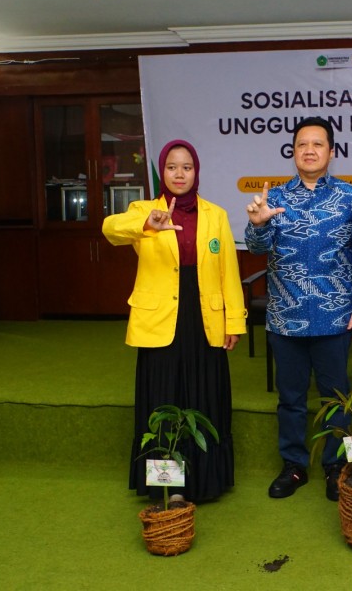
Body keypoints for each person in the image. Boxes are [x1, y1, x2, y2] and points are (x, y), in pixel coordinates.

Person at [102, 139, 246, 503]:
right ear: (161, 172)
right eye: (171, 167)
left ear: (197, 172)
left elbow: (229, 271)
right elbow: (110, 229)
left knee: (204, 396)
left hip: (205, 318)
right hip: (160, 320)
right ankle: (169, 484)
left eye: (187, 167)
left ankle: (205, 483)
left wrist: (235, 321)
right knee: (161, 399)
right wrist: (147, 223)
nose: (179, 174)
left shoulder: (215, 214)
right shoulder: (143, 210)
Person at [244, 116, 352, 502]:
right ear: (293, 152)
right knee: (290, 399)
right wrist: (256, 224)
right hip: (285, 320)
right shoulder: (276, 199)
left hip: (336, 318)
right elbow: (257, 247)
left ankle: (337, 466)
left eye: (317, 144)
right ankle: (293, 466)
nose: (309, 150)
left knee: (336, 397)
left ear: (331, 152)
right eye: (302, 144)